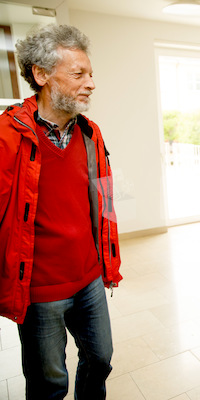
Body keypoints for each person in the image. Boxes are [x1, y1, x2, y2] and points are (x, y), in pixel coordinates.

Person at [0, 24, 122, 399]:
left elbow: (104, 201)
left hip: (88, 276)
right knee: (50, 382)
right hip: (39, 287)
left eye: (91, 74)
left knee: (101, 359)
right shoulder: (8, 135)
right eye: (78, 74)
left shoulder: (90, 133)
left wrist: (108, 263)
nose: (91, 83)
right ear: (41, 74)